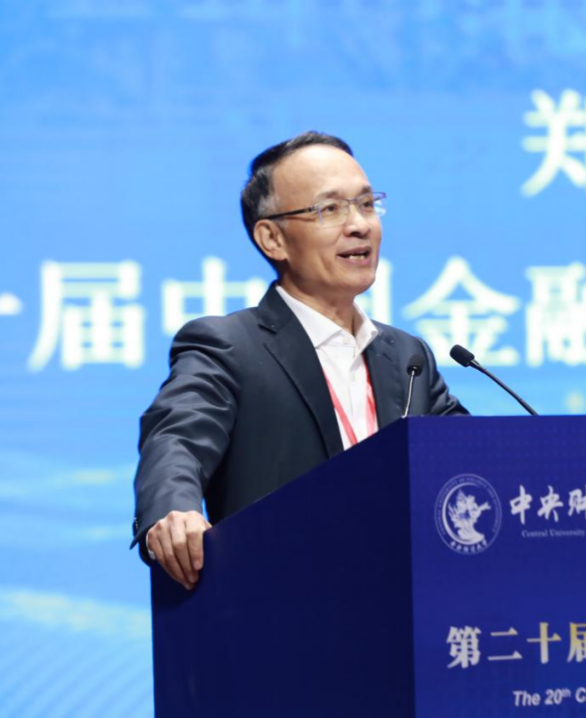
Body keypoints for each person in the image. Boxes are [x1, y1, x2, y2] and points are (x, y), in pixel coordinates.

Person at [131, 131, 467, 590]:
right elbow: (177, 439)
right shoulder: (230, 347)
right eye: (330, 209)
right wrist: (172, 510)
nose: (360, 225)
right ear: (272, 238)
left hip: (408, 602)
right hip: (286, 604)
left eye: (367, 204)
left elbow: (470, 458)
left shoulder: (407, 356)